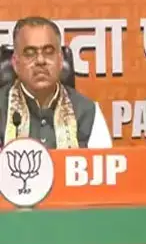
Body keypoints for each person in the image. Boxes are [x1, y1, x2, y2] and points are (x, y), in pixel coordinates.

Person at [0, 17, 112, 149]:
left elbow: (103, 160)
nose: (40, 60)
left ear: (60, 60)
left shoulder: (88, 112)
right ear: (15, 63)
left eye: (48, 52)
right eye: (30, 53)